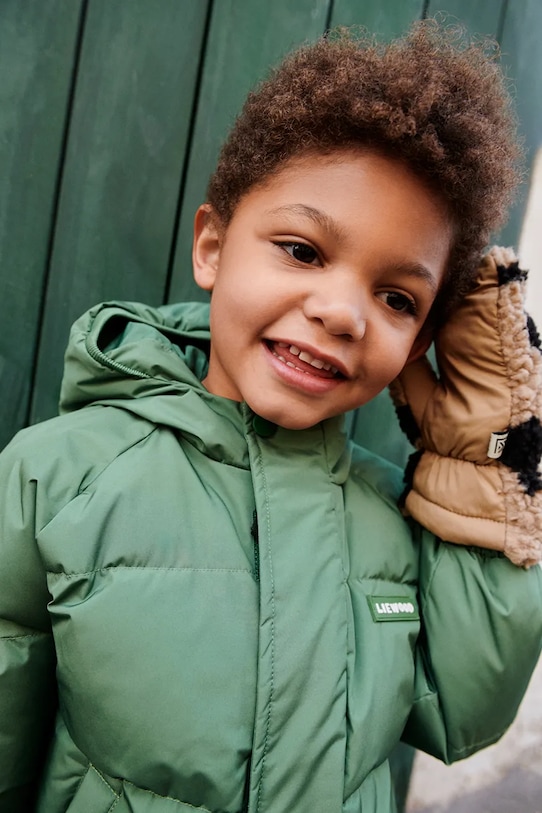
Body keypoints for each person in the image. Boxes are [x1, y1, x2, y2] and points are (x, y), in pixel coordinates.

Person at [1, 19, 541, 813]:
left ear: (422, 341)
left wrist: (485, 466)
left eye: (396, 298)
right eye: (303, 250)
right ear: (213, 247)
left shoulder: (397, 515)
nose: (342, 311)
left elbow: (466, 708)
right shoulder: (54, 476)